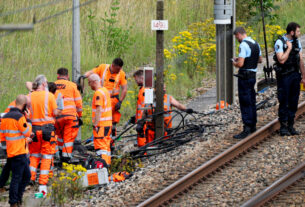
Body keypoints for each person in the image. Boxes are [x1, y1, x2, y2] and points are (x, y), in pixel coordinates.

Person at [132, 69, 193, 146]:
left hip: (165, 131)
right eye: (162, 88)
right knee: (150, 150)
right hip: (151, 132)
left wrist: (186, 109)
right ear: (155, 88)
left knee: (164, 148)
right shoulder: (149, 97)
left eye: (165, 87)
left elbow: (179, 106)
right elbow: (145, 111)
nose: (164, 89)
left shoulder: (168, 98)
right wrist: (141, 123)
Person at [28, 75, 60, 195]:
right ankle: (42, 182)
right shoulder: (50, 96)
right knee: (46, 157)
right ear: (43, 84)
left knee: (34, 155)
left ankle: (30, 178)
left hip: (34, 130)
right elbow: (55, 113)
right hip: (48, 129)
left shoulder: (29, 96)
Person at [0, 95, 32, 207]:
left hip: (11, 151)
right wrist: (28, 120)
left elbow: (2, 137)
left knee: (26, 176)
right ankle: (14, 202)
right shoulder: (20, 117)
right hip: (19, 152)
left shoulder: (5, 117)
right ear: (23, 105)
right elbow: (27, 132)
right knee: (17, 178)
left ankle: (17, 199)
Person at [274, 22, 305, 136]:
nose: (299, 33)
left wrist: (304, 76)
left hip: (295, 75)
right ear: (292, 32)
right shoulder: (280, 42)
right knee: (284, 101)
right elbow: (281, 59)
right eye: (297, 31)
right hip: (284, 76)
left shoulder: (297, 42)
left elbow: (300, 60)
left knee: (294, 101)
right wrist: (289, 49)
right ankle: (283, 126)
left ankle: (291, 125)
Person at [84, 58, 127, 137]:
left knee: (112, 122)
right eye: (117, 69)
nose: (119, 71)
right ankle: (102, 137)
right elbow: (91, 72)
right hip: (102, 98)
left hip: (113, 100)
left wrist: (120, 101)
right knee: (101, 119)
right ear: (113, 66)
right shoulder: (102, 68)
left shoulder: (121, 74)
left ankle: (111, 141)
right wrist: (83, 77)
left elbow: (124, 89)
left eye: (120, 69)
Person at [232, 27, 262, 139]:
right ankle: (253, 124)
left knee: (245, 101)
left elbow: (240, 64)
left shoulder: (243, 45)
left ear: (239, 34)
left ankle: (247, 127)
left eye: (236, 37)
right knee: (252, 100)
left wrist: (234, 62)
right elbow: (260, 60)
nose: (237, 39)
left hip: (244, 76)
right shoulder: (256, 43)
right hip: (253, 76)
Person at [54, 68, 82, 162]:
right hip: (70, 116)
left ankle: (60, 153)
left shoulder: (52, 85)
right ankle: (66, 158)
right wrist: (79, 115)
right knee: (68, 137)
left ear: (58, 75)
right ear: (67, 76)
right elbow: (78, 103)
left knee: (59, 136)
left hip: (57, 116)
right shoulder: (73, 85)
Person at [88, 74, 112, 166]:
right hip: (107, 124)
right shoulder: (105, 91)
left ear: (94, 82)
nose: (89, 85)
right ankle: (107, 165)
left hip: (101, 125)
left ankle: (102, 167)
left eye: (89, 83)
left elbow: (99, 109)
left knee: (101, 147)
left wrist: (95, 124)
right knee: (106, 147)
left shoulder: (98, 93)